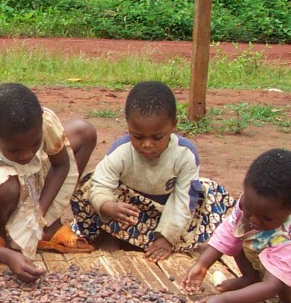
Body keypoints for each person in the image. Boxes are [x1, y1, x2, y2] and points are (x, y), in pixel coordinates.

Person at [69, 81, 236, 261]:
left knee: (205, 192)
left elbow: (182, 201)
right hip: (127, 214)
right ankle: (111, 236)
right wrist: (108, 206)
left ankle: (156, 240)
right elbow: (101, 184)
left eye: (157, 137)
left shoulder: (185, 154)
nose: (147, 144)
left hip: (167, 212)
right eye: (138, 136)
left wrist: (167, 237)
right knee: (89, 184)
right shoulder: (121, 150)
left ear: (173, 126)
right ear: (128, 126)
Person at [0, 83, 96, 283]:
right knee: (8, 184)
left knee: (84, 132)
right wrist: (8, 257)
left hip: (32, 188)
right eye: (15, 151)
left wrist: (39, 214)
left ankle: (47, 228)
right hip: (1, 201)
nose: (27, 154)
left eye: (35, 144)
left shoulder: (42, 125)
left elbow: (61, 165)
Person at [183, 148, 291, 303]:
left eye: (265, 218)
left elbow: (271, 285)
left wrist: (225, 300)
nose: (253, 219)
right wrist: (202, 264)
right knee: (239, 231)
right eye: (248, 210)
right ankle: (250, 278)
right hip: (267, 251)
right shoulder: (252, 203)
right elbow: (227, 233)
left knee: (276, 254)